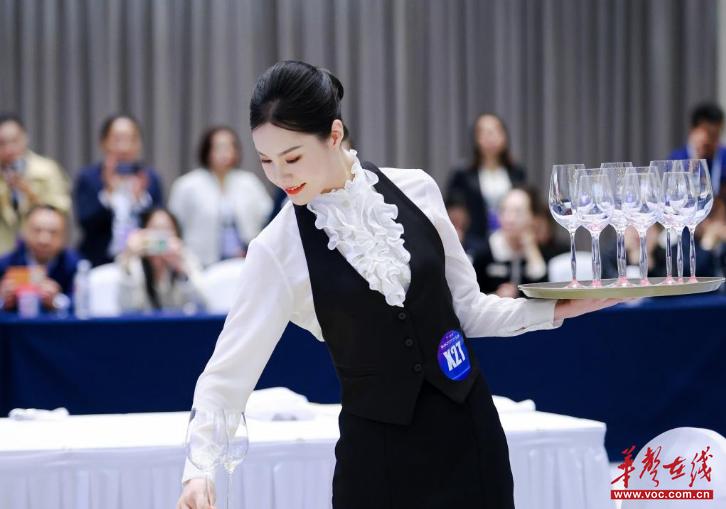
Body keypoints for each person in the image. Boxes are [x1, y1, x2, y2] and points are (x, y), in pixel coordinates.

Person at [177, 61, 620, 509]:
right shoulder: (276, 249)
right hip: (377, 462)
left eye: (292, 158)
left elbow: (467, 309)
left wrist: (558, 307)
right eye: (266, 161)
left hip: (470, 434)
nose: (280, 176)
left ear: (334, 135)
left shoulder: (417, 189)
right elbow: (227, 375)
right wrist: (199, 471)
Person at [168, 126, 272, 267]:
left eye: (229, 147)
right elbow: (174, 225)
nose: (225, 153)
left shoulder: (248, 182)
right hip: (201, 263)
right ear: (207, 150)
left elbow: (268, 215)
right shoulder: (188, 185)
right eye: (219, 147)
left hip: (245, 261)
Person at [73, 114, 164, 267]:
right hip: (100, 261)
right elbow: (85, 223)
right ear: (103, 143)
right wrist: (108, 194)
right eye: (117, 139)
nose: (124, 147)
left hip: (142, 262)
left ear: (139, 144)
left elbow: (159, 226)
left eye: (131, 139)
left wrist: (140, 200)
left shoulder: (149, 178)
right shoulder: (89, 178)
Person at [446, 113, 526, 242]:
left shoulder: (516, 171)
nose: (491, 137)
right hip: (474, 240)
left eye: (495, 131)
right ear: (476, 138)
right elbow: (453, 209)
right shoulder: (463, 173)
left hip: (510, 240)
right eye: (485, 133)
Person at [0, 113, 71, 255]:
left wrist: (29, 192)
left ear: (25, 138)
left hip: (41, 251)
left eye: (14, 141)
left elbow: (61, 211)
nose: (9, 149)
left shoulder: (47, 170)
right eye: (2, 143)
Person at [116, 207, 206, 313]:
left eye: (166, 230)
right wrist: (128, 259)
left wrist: (182, 272)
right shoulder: (134, 262)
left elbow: (203, 305)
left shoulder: (185, 258)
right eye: (155, 229)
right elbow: (125, 306)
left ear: (176, 234)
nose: (159, 238)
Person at [0, 205, 79, 311]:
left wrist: (58, 301)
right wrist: (2, 300)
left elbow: (85, 303)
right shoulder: (6, 264)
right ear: (24, 232)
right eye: (37, 230)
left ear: (64, 236)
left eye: (53, 232)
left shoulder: (74, 265)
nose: (44, 240)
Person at [472, 187, 548, 297]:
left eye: (518, 212)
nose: (510, 219)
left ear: (532, 217)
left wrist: (531, 251)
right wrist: (496, 296)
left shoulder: (541, 249)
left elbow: (545, 295)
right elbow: (471, 298)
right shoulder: (484, 251)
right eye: (504, 211)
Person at [669, 102, 726, 195]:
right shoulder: (677, 158)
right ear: (693, 130)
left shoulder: (723, 156)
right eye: (707, 132)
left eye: (716, 135)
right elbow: (674, 195)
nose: (710, 140)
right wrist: (696, 159)